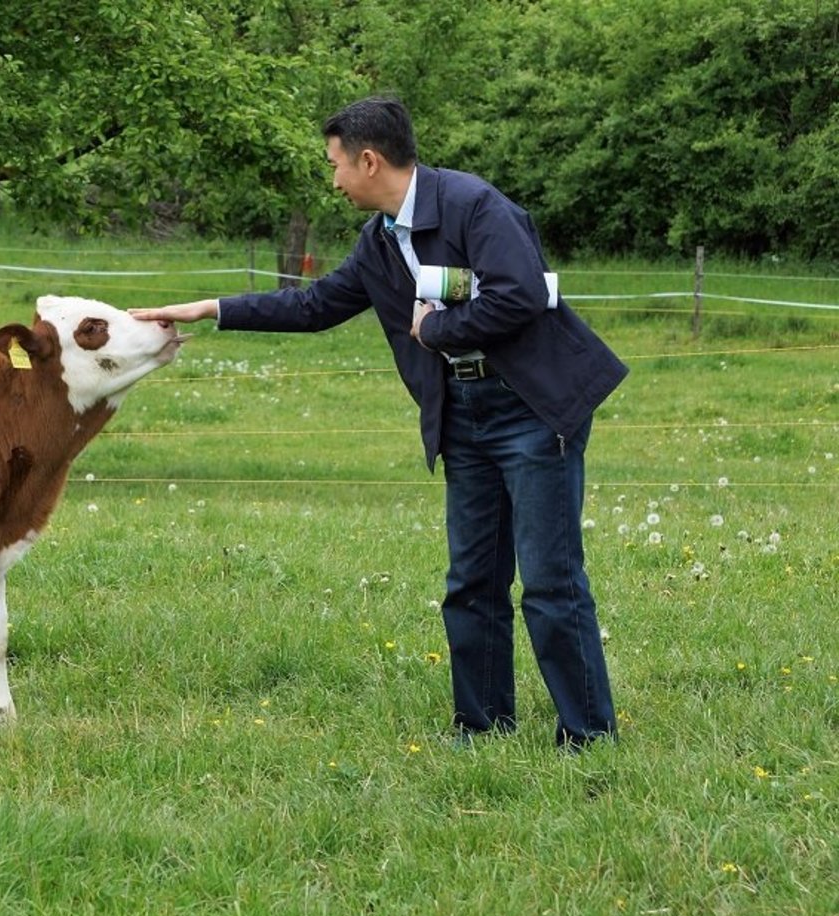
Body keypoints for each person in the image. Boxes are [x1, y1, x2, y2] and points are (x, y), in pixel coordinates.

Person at [131, 96, 625, 748]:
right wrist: (207, 309)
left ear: (369, 160)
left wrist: (437, 328)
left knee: (550, 581)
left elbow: (522, 294)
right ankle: (483, 726)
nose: (333, 180)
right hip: (462, 417)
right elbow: (313, 307)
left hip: (531, 409)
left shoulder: (475, 206)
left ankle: (589, 736)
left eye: (335, 165)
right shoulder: (380, 242)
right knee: (471, 582)